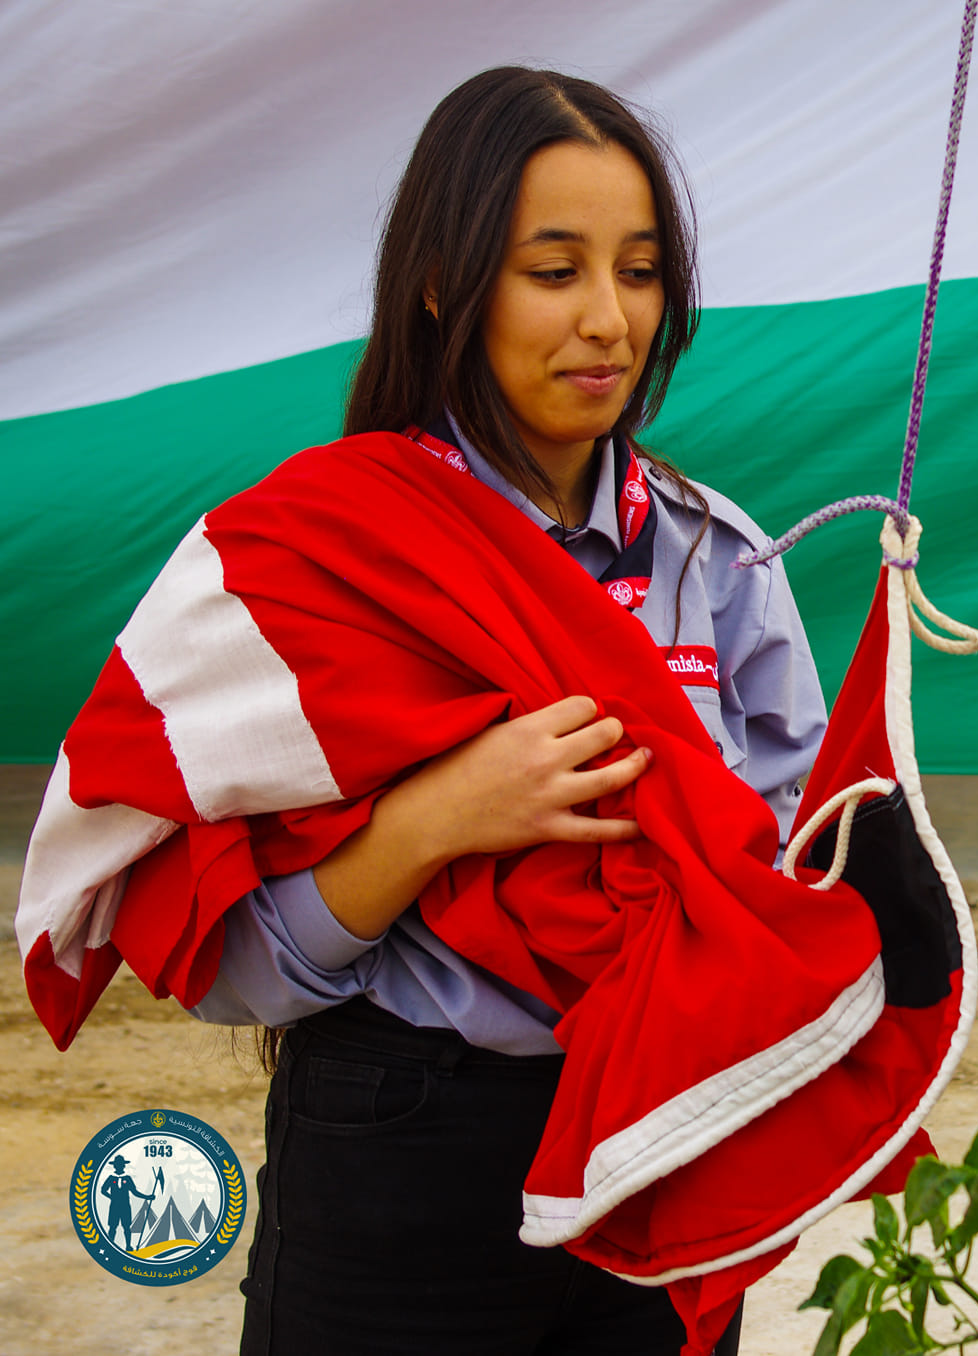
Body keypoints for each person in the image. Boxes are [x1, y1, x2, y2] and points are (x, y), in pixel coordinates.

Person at [175, 69, 823, 1353]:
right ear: (442, 281)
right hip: (396, 1144)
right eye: (552, 270)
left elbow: (787, 885)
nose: (606, 320)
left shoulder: (723, 564)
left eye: (638, 271)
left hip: (661, 1139)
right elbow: (227, 972)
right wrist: (432, 821)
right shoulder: (318, 557)